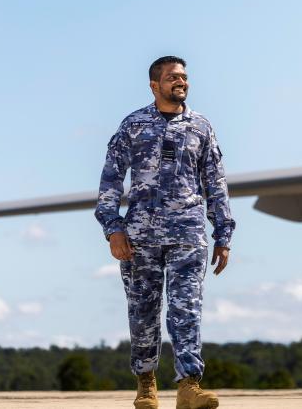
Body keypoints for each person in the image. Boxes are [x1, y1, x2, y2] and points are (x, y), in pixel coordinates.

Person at [95, 55, 235, 409]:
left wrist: (223, 233)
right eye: (173, 77)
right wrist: (113, 228)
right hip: (140, 236)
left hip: (189, 234)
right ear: (155, 85)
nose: (181, 82)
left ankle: (189, 385)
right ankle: (146, 383)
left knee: (186, 308)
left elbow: (215, 183)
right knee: (143, 311)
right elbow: (111, 179)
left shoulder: (201, 127)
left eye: (184, 77)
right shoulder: (133, 125)